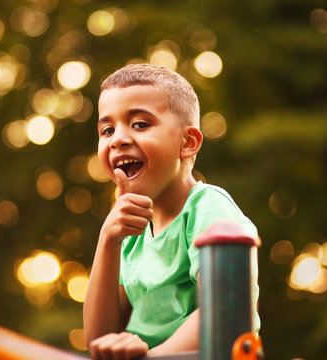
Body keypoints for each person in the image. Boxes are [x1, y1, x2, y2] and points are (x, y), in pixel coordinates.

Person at [83, 63, 259, 359]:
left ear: (187, 143)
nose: (118, 139)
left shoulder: (208, 208)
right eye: (107, 129)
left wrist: (151, 357)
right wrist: (108, 240)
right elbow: (101, 341)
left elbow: (224, 316)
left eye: (140, 124)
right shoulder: (131, 233)